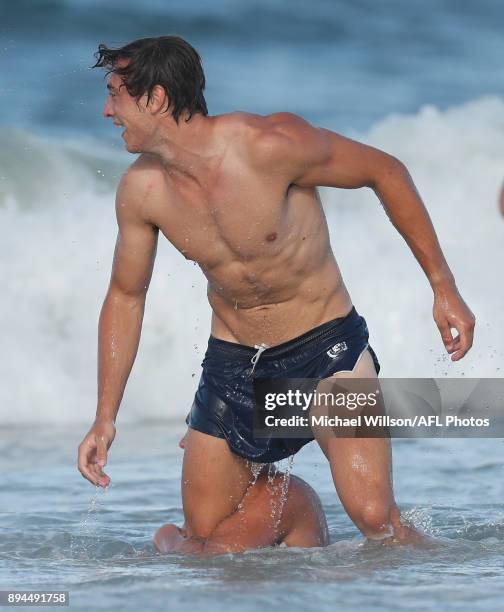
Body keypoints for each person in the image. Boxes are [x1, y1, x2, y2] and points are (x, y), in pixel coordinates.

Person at [77, 35, 475, 546]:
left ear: (156, 98)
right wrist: (104, 418)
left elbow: (386, 171)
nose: (107, 111)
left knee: (376, 519)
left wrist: (443, 288)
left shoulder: (270, 146)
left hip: (325, 350)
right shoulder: (143, 191)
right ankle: (297, 508)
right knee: (205, 539)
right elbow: (126, 298)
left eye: (116, 95)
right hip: (235, 366)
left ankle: (442, 579)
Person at [153, 470, 329, 556]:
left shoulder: (280, 492)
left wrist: (166, 533)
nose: (183, 444)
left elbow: (211, 557)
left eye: (196, 426)